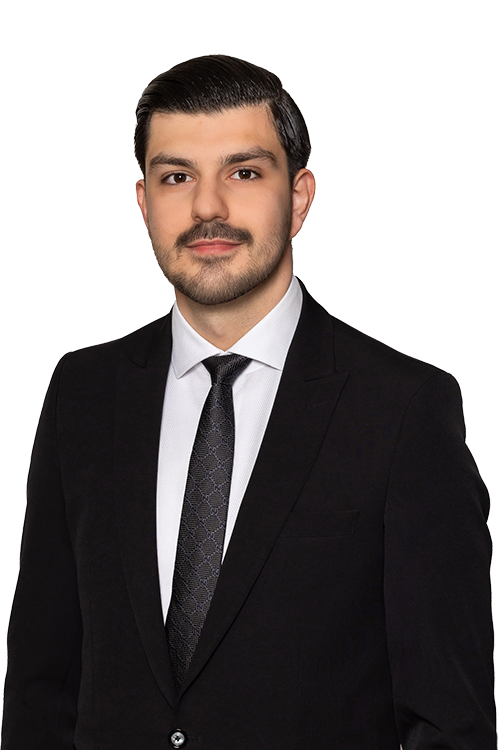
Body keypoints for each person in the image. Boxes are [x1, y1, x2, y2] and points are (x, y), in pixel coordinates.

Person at [2, 54, 495, 750]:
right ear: (143, 202)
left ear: (299, 197)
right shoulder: (83, 394)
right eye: (177, 177)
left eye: (243, 172)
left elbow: (449, 719)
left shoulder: (402, 408)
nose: (207, 207)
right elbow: (40, 688)